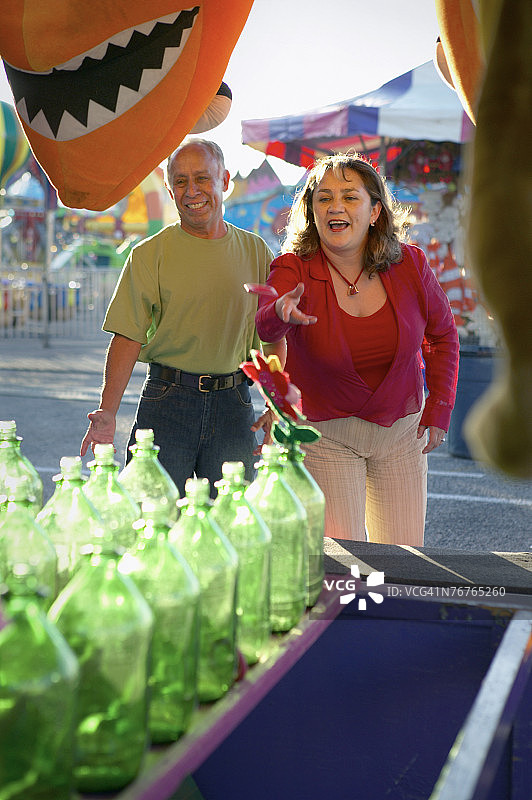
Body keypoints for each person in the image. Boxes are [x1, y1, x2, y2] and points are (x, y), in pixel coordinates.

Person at [255, 152, 459, 544]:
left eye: (350, 196)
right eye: (324, 197)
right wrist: (281, 310)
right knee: (343, 567)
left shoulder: (411, 264)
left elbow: (444, 336)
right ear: (311, 211)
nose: (336, 206)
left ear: (375, 211)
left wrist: (440, 407)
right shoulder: (292, 267)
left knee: (401, 564)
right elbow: (266, 324)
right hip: (325, 435)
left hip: (402, 433)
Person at [81, 139, 279, 495]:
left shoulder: (257, 251)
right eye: (181, 181)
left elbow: (271, 333)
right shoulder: (148, 255)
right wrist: (107, 412)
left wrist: (276, 402)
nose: (192, 191)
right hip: (166, 403)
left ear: (225, 181)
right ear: (170, 191)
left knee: (230, 522)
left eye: (202, 178)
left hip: (234, 406)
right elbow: (127, 337)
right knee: (153, 515)